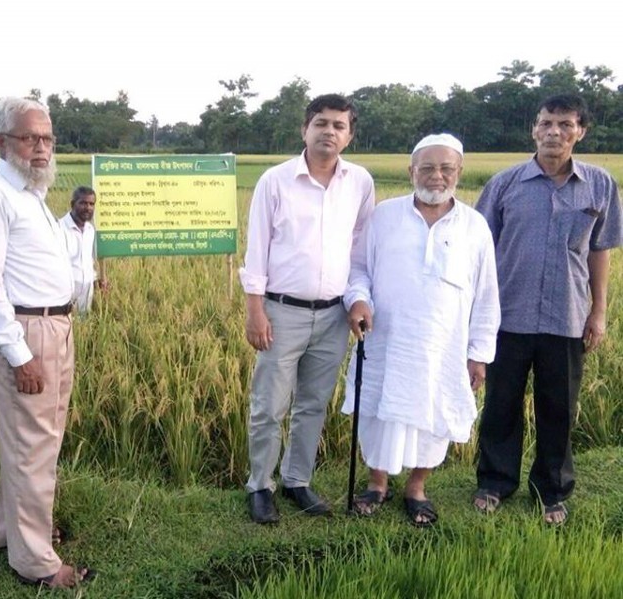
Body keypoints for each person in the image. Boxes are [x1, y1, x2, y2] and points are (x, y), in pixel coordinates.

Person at [474, 94, 623, 525]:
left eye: (564, 124)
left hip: (568, 317)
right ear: (533, 129)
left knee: (558, 407)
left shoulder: (599, 185)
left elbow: (600, 252)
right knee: (501, 403)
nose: (554, 132)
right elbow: (479, 251)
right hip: (507, 315)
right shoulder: (504, 184)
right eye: (546, 123)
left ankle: (551, 491)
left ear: (581, 131)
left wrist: (598, 312)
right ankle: (494, 482)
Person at [0, 97, 92, 588]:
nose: (40, 148)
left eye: (47, 138)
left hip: (55, 326)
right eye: (29, 138)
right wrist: (20, 354)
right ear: (2, 142)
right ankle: (35, 561)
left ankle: (11, 533)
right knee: (33, 445)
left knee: (36, 440)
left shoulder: (30, 192)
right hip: (28, 333)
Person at [342, 134, 500, 527]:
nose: (436, 176)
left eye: (446, 168)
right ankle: (376, 483)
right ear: (411, 171)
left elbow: (486, 294)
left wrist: (479, 353)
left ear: (459, 173)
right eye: (427, 167)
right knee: (378, 413)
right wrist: (358, 300)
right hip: (387, 340)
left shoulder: (474, 226)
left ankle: (416, 488)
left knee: (434, 414)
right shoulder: (384, 216)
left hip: (443, 346)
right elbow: (358, 268)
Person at [239, 94, 375, 524]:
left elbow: (359, 252)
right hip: (282, 312)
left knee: (313, 404)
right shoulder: (275, 181)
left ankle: (297, 480)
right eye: (321, 123)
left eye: (338, 125)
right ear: (305, 129)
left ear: (349, 135)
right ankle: (260, 486)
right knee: (269, 405)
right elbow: (257, 250)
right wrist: (255, 311)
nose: (328, 132)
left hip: (334, 315)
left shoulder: (360, 183)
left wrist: (357, 300)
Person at [60, 186, 106, 313]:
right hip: (65, 299)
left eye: (91, 204)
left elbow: (88, 262)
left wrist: (96, 281)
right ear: (73, 204)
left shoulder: (90, 230)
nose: (88, 208)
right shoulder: (59, 229)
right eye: (83, 203)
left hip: (86, 299)